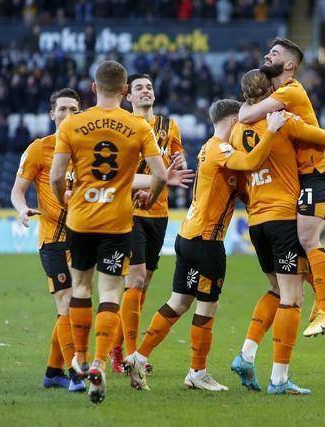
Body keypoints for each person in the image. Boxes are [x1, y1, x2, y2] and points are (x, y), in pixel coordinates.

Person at [123, 100, 287, 392]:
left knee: (179, 302)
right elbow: (250, 162)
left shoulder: (213, 150)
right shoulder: (219, 149)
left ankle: (138, 357)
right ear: (235, 120)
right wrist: (271, 131)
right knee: (208, 306)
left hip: (190, 236)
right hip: (206, 241)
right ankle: (197, 372)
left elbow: (242, 186)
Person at [49, 61, 168, 405]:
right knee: (111, 291)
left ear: (93, 88)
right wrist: (150, 197)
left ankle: (81, 360)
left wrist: (64, 198)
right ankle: (100, 362)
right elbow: (160, 175)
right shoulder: (139, 125)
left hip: (81, 220)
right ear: (126, 90)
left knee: (80, 288)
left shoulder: (72, 124)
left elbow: (56, 177)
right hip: (118, 222)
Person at [229, 70, 325, 395]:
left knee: (276, 290)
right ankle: (279, 379)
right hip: (282, 218)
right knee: (292, 298)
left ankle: (246, 354)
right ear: (271, 92)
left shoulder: (236, 131)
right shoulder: (282, 121)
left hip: (257, 222)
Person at [238, 37, 325, 338]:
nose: (268, 56)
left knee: (307, 237)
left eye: (275, 53)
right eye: (269, 51)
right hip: (301, 178)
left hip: (316, 174)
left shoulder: (290, 91)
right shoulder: (279, 96)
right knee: (297, 241)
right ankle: (324, 289)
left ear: (290, 64)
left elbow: (246, 115)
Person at [108, 74, 186, 372]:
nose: (145, 91)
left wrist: (176, 167)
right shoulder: (121, 125)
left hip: (158, 212)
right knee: (136, 279)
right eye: (139, 88)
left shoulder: (169, 126)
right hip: (129, 211)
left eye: (149, 87)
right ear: (128, 96)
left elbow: (176, 161)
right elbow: (115, 172)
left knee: (144, 284)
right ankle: (130, 354)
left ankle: (116, 347)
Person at [10, 88, 86, 393]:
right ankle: (76, 374)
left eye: (73, 110)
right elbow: (17, 191)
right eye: (62, 109)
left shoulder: (89, 149)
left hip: (83, 237)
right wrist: (22, 209)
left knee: (72, 307)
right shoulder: (40, 148)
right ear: (52, 114)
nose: (68, 114)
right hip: (53, 238)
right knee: (66, 302)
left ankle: (53, 373)